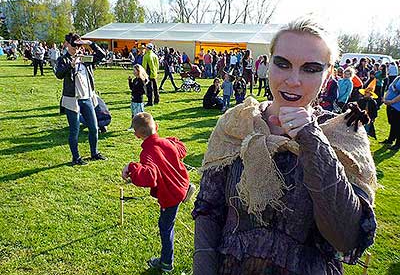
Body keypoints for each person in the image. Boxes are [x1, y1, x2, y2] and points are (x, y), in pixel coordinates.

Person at [192, 16, 377, 274]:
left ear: (329, 74)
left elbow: (345, 237)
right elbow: (208, 210)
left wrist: (312, 140)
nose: (293, 80)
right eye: (283, 64)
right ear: (269, 64)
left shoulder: (343, 135)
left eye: (310, 68)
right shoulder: (237, 123)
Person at [121, 112, 193, 273]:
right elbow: (181, 148)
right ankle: (185, 189)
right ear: (156, 126)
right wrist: (172, 142)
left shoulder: (147, 153)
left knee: (165, 226)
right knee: (168, 222)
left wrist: (131, 167)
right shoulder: (167, 143)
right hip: (180, 184)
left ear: (137, 135)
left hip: (170, 195)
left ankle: (166, 262)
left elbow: (148, 177)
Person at [55, 33, 107, 166]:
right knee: (75, 129)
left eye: (79, 46)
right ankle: (76, 158)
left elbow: (102, 55)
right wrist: (71, 65)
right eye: (74, 46)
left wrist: (90, 43)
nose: (76, 49)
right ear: (68, 45)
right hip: (72, 99)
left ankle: (94, 153)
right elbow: (59, 74)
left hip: (87, 98)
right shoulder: (63, 59)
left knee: (94, 127)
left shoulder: (85, 59)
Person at [381, 75, 400, 150]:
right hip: (391, 105)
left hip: (397, 106)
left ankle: (398, 144)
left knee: (397, 125)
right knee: (393, 123)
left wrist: (392, 101)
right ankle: (390, 140)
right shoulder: (398, 77)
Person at [128, 64, 148, 130]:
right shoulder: (135, 80)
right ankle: (134, 126)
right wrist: (130, 81)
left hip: (138, 100)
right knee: (134, 114)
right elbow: (132, 88)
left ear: (138, 71)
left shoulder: (141, 80)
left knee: (139, 115)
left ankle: (142, 126)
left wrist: (136, 93)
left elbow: (143, 91)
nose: (133, 72)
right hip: (134, 99)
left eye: (134, 70)